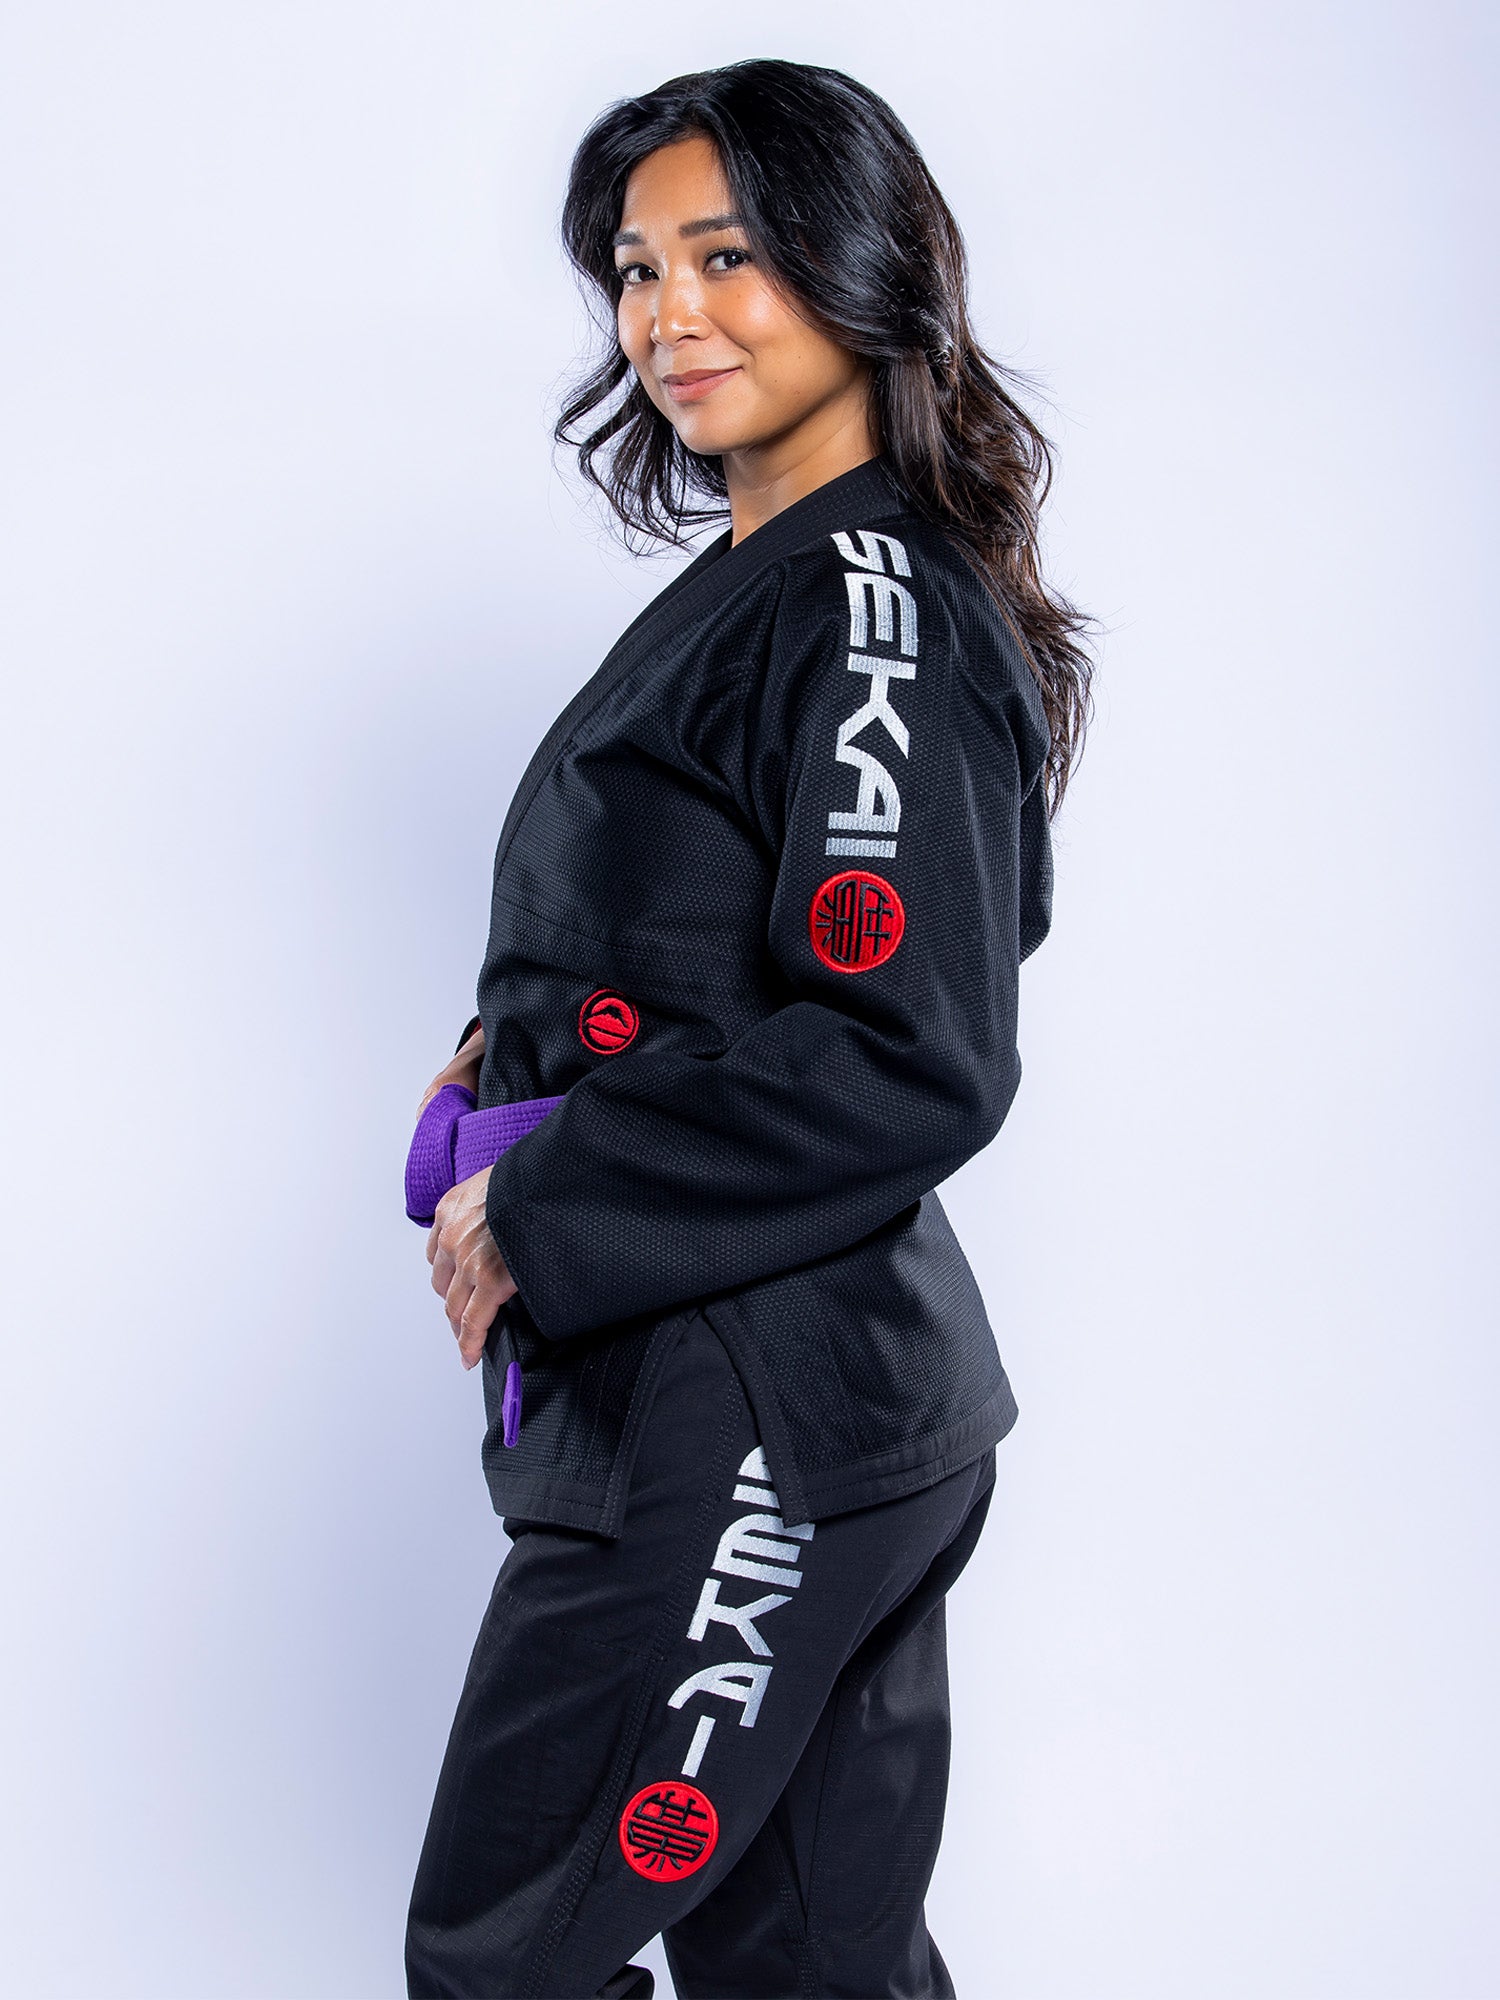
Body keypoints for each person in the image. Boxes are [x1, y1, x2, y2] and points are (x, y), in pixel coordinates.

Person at [404, 58, 1092, 2000]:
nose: (666, 314)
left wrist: (541, 1206)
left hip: (761, 1406)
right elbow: (698, 933)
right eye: (634, 269)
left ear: (859, 266)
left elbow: (908, 1042)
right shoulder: (755, 587)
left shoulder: (868, 597)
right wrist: (501, 1068)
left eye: (729, 254)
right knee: (804, 1967)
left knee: (505, 1962)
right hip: (757, 1395)